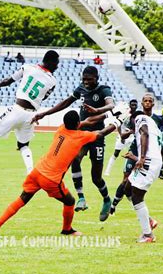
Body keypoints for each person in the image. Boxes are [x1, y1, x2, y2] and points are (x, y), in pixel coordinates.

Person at [0, 110, 121, 237]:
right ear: (77, 124)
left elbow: (87, 121)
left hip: (37, 171)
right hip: (50, 179)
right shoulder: (80, 137)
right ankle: (67, 230)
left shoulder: (61, 128)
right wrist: (117, 121)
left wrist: (106, 115)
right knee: (70, 201)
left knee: (22, 198)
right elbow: (101, 133)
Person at [31, 66, 115, 221]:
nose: (86, 82)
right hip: (80, 133)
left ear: (97, 78)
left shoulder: (104, 90)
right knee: (74, 158)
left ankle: (106, 199)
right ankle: (81, 198)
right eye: (84, 79)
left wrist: (97, 111)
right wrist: (45, 113)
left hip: (97, 136)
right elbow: (66, 102)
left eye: (89, 79)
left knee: (96, 177)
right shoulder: (81, 89)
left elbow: (111, 105)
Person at [0, 50, 60, 178]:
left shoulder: (27, 67)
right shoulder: (53, 82)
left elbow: (9, 80)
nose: (57, 66)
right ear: (50, 62)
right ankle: (30, 172)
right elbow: (44, 97)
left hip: (17, 109)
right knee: (24, 145)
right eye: (56, 63)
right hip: (31, 115)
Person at [123, 103, 162, 243]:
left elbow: (144, 133)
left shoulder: (140, 118)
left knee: (137, 197)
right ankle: (149, 220)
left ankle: (148, 235)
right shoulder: (151, 122)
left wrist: (143, 158)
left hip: (149, 161)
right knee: (127, 188)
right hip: (151, 160)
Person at [104, 99, 138, 176]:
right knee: (116, 153)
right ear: (129, 105)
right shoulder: (125, 113)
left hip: (131, 137)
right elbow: (118, 124)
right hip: (122, 136)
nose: (134, 106)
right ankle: (107, 171)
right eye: (132, 105)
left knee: (133, 154)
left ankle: (132, 171)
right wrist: (121, 135)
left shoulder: (137, 115)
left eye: (135, 105)